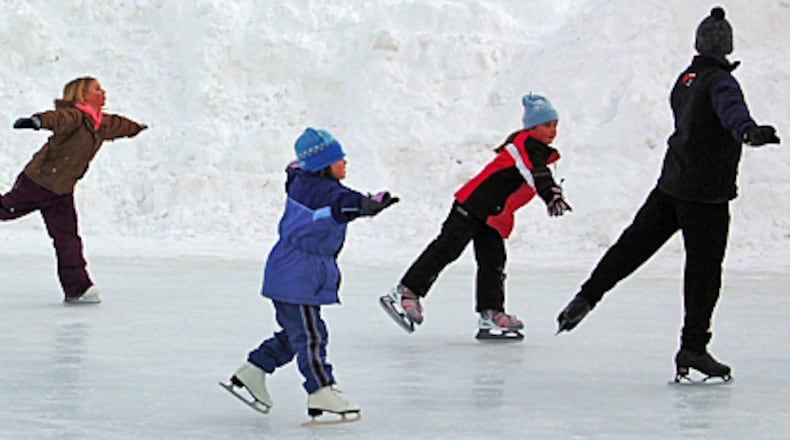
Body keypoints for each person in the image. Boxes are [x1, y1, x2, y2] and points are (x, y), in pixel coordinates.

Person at [556, 7, 780, 382]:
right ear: (726, 46)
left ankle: (587, 296)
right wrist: (748, 132)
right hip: (705, 198)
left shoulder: (686, 78)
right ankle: (693, 347)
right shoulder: (721, 82)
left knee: (630, 247)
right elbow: (732, 112)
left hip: (671, 186)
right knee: (703, 276)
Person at [222, 128, 398, 420]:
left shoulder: (304, 182)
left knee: (297, 335)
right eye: (338, 159)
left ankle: (253, 371)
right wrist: (366, 205)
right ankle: (321, 390)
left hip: (294, 272)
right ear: (321, 166)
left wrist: (365, 204)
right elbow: (341, 202)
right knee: (311, 336)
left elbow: (307, 179)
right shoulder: (318, 192)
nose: (345, 162)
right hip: (295, 275)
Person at [380, 94, 572, 340]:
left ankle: (490, 313)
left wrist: (550, 192)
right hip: (471, 205)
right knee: (446, 249)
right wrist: (550, 194)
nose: (553, 131)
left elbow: (537, 172)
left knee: (493, 261)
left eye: (555, 125)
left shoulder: (536, 151)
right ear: (531, 127)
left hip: (492, 216)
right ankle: (405, 292)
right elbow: (536, 173)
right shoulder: (523, 146)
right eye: (547, 125)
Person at [2, 77, 147, 304]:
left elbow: (120, 124)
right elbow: (57, 118)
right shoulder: (75, 117)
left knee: (68, 239)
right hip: (39, 182)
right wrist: (37, 121)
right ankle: (77, 286)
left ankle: (78, 288)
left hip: (61, 191)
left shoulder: (102, 123)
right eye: (97, 89)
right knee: (4, 209)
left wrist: (135, 128)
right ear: (83, 96)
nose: (103, 92)